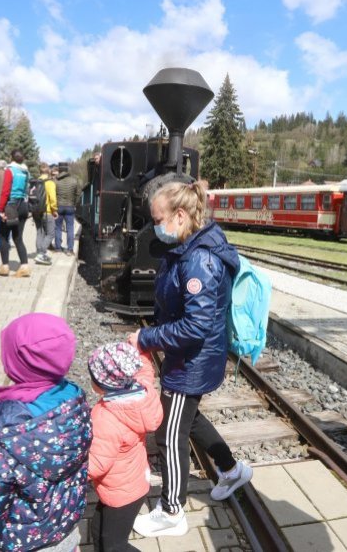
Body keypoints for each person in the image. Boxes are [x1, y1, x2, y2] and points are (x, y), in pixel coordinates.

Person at [129, 181, 252, 538]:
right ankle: (231, 471)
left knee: (170, 433)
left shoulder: (199, 259)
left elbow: (195, 325)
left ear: (180, 216)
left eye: (158, 219)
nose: (156, 227)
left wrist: (147, 337)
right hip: (191, 358)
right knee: (190, 419)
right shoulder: (189, 245)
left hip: (191, 362)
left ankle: (171, 510)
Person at [0, 313, 91, 552]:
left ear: (15, 362)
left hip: (22, 543)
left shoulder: (3, 431)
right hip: (66, 532)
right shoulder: (76, 402)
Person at [88, 342, 163, 552]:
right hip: (131, 482)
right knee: (97, 530)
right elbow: (145, 370)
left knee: (114, 546)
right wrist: (141, 348)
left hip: (121, 492)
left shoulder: (105, 417)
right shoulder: (142, 390)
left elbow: (96, 464)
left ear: (102, 384)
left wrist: (67, 471)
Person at [0, 150, 31, 277]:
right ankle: (24, 267)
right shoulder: (26, 172)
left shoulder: (9, 170)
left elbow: (5, 191)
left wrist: (0, 209)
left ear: (11, 158)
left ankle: (5, 267)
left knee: (3, 236)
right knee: (18, 237)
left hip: (11, 206)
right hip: (23, 205)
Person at [31, 163, 57, 265]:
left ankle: (38, 253)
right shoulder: (50, 182)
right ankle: (41, 253)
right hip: (47, 212)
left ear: (40, 171)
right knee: (51, 233)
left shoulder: (35, 182)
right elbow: (53, 199)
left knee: (39, 232)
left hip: (36, 211)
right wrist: (54, 210)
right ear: (48, 171)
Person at [53, 163, 80, 255]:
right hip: (70, 207)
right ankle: (69, 249)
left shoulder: (55, 181)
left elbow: (53, 194)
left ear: (59, 170)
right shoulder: (74, 180)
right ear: (67, 170)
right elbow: (78, 194)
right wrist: (74, 204)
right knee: (70, 228)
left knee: (57, 228)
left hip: (58, 207)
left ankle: (58, 248)